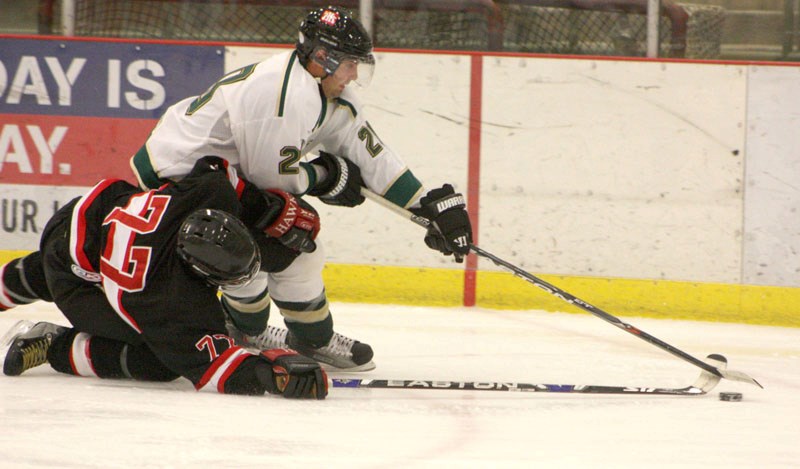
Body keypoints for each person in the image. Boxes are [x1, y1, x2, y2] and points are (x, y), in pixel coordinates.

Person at [127, 6, 473, 370]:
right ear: (322, 58)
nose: (354, 75)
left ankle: (308, 339)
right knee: (270, 240)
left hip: (224, 178)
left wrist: (427, 205)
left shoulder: (330, 92)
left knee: (296, 241)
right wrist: (324, 176)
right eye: (350, 64)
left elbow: (370, 154)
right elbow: (271, 182)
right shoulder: (284, 95)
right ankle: (247, 329)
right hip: (177, 179)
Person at [0, 156, 327, 399]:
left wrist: (268, 209)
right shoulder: (166, 300)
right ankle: (54, 345)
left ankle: (17, 283)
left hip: (88, 214)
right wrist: (273, 377)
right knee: (159, 362)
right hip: (76, 277)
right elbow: (216, 369)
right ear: (199, 274)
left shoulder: (209, 195)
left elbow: (214, 167)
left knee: (67, 259)